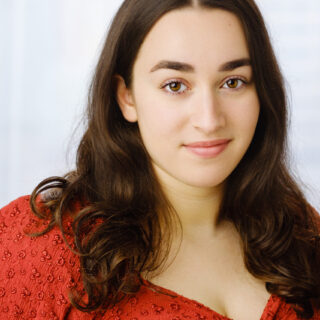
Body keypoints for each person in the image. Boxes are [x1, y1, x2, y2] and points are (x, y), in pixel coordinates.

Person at [1, 0, 319, 319]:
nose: (209, 120)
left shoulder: (302, 233)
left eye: (232, 82)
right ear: (126, 96)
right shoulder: (38, 240)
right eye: (175, 85)